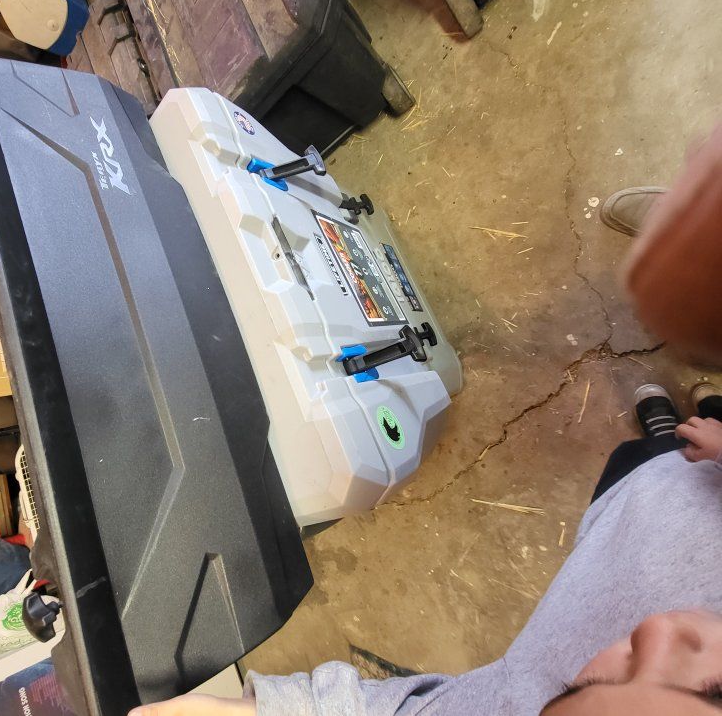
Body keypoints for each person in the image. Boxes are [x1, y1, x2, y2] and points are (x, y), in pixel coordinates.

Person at [132, 126, 722, 716]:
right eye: (713, 691)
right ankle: (679, 437)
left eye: (586, 688)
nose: (656, 633)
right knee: (652, 464)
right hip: (686, 493)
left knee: (643, 471)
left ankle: (663, 449)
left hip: (646, 514)